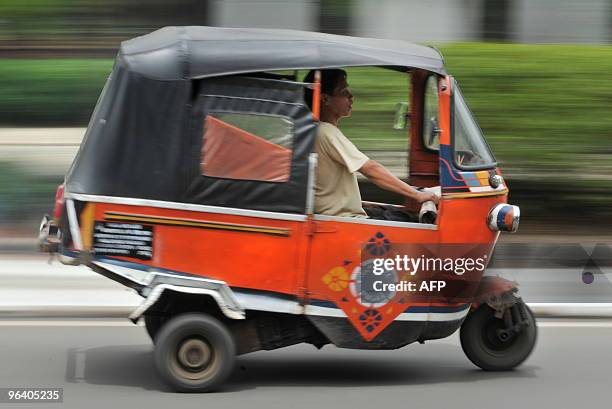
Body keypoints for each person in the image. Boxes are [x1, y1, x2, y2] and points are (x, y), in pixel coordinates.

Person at [303, 69, 439, 220]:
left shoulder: (318, 130)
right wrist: (417, 195)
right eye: (343, 91)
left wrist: (360, 203)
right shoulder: (326, 131)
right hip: (346, 220)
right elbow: (370, 169)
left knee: (401, 214)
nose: (350, 96)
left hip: (343, 214)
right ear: (324, 99)